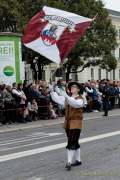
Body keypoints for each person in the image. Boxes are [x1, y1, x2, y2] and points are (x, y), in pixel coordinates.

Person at [50, 82, 84, 171]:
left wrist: (66, 96)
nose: (72, 88)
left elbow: (75, 104)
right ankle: (78, 160)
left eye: (74, 87)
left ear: (78, 90)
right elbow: (57, 99)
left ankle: (69, 162)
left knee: (71, 142)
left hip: (76, 123)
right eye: (71, 87)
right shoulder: (67, 98)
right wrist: (52, 91)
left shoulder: (81, 99)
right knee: (74, 141)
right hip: (68, 123)